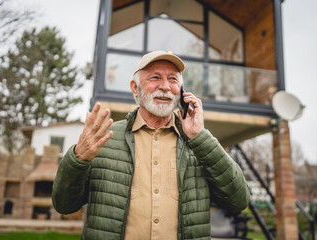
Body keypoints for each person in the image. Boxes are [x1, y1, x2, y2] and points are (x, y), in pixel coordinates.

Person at [52, 50, 250, 240]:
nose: (165, 86)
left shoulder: (200, 144)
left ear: (181, 91)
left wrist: (200, 137)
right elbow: (64, 205)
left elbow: (239, 200)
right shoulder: (104, 139)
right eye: (155, 78)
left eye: (173, 79)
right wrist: (78, 158)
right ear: (135, 88)